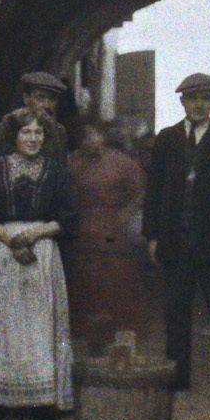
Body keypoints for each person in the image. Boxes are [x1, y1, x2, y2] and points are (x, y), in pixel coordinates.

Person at [142, 73, 210, 397]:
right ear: (182, 102)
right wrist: (152, 236)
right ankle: (178, 373)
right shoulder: (167, 139)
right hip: (175, 243)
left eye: (205, 98)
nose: (199, 105)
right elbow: (154, 189)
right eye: (193, 99)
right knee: (176, 312)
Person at [0, 112, 77, 420]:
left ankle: (41, 406)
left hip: (42, 252)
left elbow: (69, 217)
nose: (33, 139)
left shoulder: (56, 172)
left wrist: (35, 234)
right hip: (4, 252)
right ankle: (0, 404)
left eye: (38, 133)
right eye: (26, 133)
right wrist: (10, 239)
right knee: (5, 325)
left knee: (38, 328)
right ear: (14, 137)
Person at [66, 118, 150, 350]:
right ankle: (92, 341)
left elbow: (140, 191)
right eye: (86, 136)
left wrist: (126, 213)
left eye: (95, 135)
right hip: (83, 231)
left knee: (116, 284)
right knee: (86, 286)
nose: (92, 141)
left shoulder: (121, 162)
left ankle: (119, 340)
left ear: (103, 136)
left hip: (114, 230)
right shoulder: (72, 163)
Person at [0, 72, 71, 166]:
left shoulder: (58, 132)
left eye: (52, 99)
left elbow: (62, 169)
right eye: (40, 98)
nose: (46, 105)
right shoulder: (3, 130)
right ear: (26, 98)